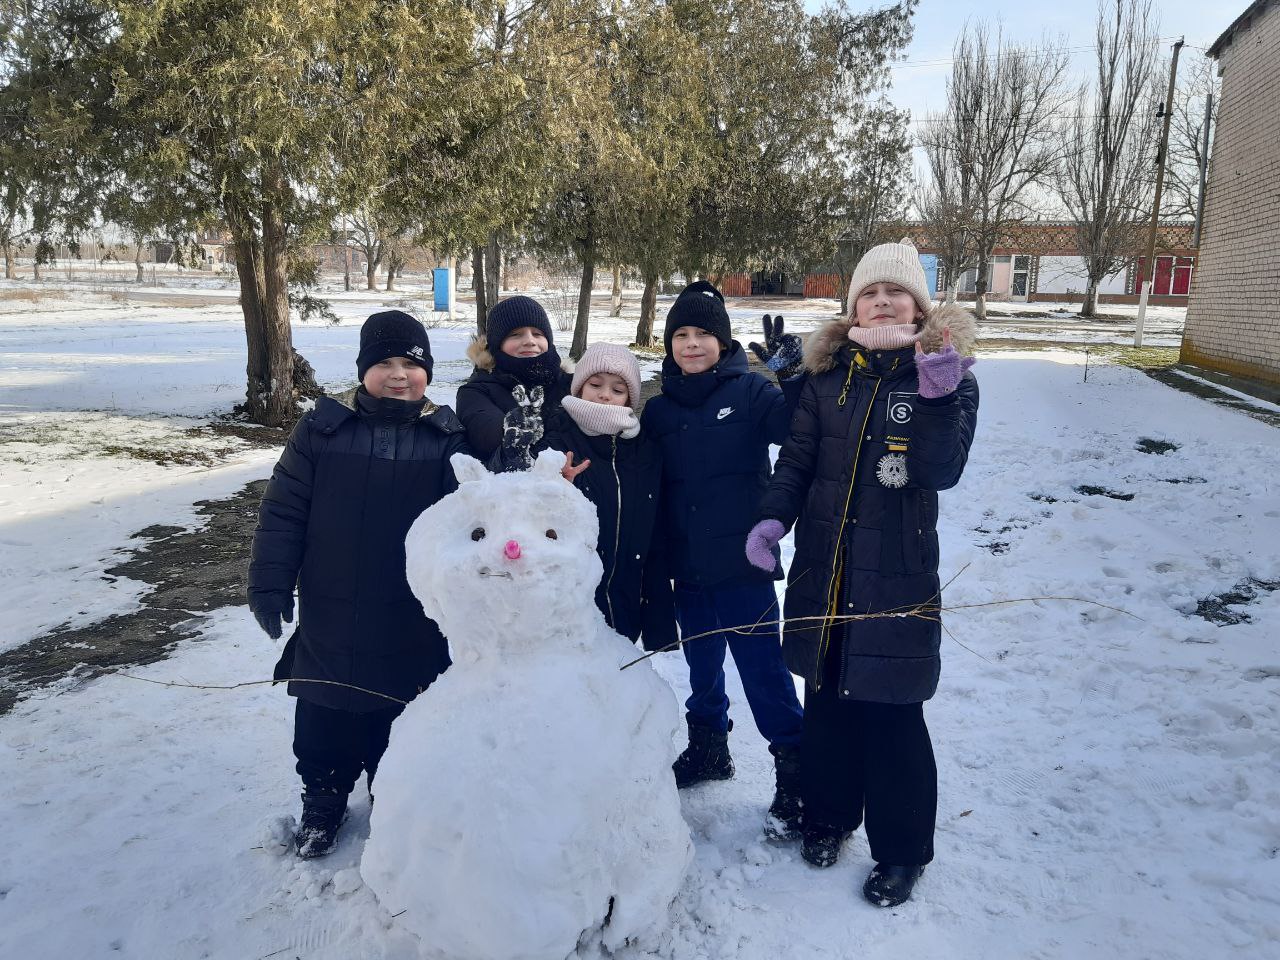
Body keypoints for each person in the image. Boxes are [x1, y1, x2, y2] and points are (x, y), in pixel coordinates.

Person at [746, 237, 979, 907]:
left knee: (894, 717)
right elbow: (795, 463)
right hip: (828, 573)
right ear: (852, 307)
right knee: (828, 704)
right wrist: (772, 519)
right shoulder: (827, 380)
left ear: (918, 304)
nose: (882, 301)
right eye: (869, 292)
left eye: (895, 291)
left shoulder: (948, 374)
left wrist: (936, 399)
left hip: (897, 582)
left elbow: (942, 471)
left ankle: (903, 852)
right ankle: (827, 818)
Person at [247, 310, 467, 859]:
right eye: (385, 363)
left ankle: (394, 793)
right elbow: (283, 513)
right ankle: (323, 796)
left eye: (411, 365)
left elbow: (470, 523)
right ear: (363, 370)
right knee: (325, 709)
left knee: (402, 705)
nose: (399, 375)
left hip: (411, 610)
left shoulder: (446, 439)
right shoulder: (322, 432)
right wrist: (270, 584)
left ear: (428, 373)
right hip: (331, 604)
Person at [639, 280, 805, 839]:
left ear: (723, 341)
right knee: (702, 666)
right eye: (680, 334)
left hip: (742, 563)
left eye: (703, 334)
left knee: (763, 671)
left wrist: (793, 376)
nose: (691, 344)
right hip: (687, 567)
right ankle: (710, 747)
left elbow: (795, 428)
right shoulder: (657, 408)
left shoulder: (752, 394)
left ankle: (794, 770)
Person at [498, 341, 676, 652]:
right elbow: (524, 519)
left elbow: (655, 538)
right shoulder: (556, 443)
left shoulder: (645, 451)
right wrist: (557, 484)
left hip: (625, 607)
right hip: (567, 614)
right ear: (580, 388)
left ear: (630, 399)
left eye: (618, 389)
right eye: (595, 384)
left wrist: (658, 624)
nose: (605, 394)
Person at [457, 295, 574, 462]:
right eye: (515, 334)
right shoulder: (476, 392)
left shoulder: (573, 384)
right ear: (498, 344)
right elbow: (493, 437)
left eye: (537, 334)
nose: (529, 341)